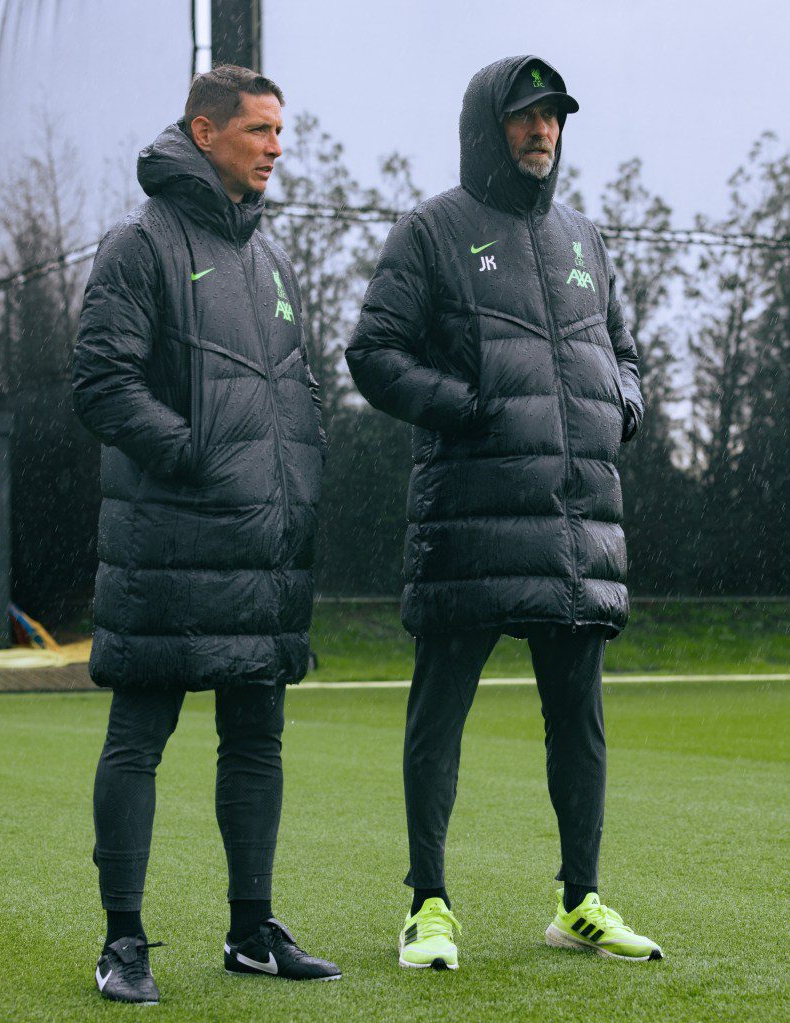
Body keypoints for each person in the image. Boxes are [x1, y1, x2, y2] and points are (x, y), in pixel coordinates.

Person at [346, 55, 662, 968]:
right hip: (471, 520)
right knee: (439, 711)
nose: (542, 131)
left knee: (580, 719)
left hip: (573, 526)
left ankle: (580, 902)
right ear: (489, 127)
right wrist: (464, 406)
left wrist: (623, 405)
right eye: (525, 117)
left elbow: (625, 352)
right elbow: (374, 350)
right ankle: (428, 903)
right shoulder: (432, 230)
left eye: (554, 117)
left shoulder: (585, 240)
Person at [72, 65, 339, 1003]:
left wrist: (293, 472)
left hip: (258, 549)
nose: (275, 146)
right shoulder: (140, 244)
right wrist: (198, 457)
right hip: (167, 543)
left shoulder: (269, 262)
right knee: (139, 736)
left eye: (279, 131)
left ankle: (250, 930)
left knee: (257, 736)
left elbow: (294, 390)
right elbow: (102, 382)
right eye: (260, 130)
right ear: (203, 131)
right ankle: (123, 941)